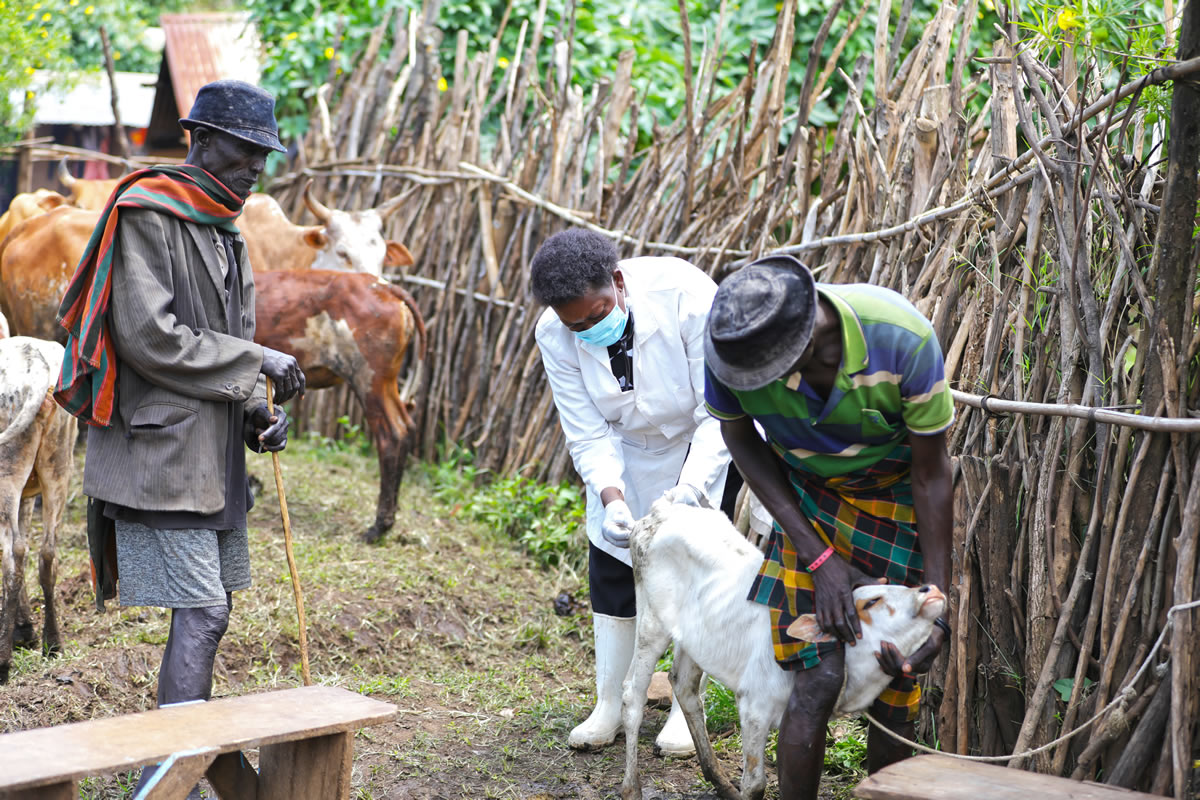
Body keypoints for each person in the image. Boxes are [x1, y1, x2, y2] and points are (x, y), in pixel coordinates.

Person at [54, 80, 306, 797]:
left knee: (211, 609)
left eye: (264, 155)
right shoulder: (149, 211)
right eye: (244, 150)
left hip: (212, 454)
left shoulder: (225, 222)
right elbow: (147, 336)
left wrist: (256, 409)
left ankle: (173, 774)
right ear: (199, 139)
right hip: (158, 451)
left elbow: (228, 339)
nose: (256, 167)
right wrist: (256, 364)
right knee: (203, 610)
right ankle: (166, 783)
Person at [702, 255, 954, 799]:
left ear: (804, 347)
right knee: (815, 678)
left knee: (896, 681)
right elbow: (741, 440)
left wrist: (937, 604)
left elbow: (932, 471)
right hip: (805, 503)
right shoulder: (730, 349)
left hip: (892, 501)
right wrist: (817, 557)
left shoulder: (900, 337)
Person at [531, 228, 738, 755]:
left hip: (699, 446)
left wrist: (689, 491)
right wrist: (611, 497)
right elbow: (587, 430)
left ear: (618, 283)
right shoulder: (555, 333)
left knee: (696, 574)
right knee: (613, 569)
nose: (587, 329)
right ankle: (611, 702)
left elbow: (717, 413)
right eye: (575, 324)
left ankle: (683, 705)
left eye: (598, 314)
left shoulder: (687, 297)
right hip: (625, 454)